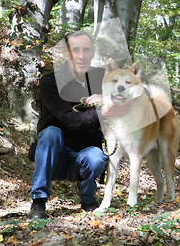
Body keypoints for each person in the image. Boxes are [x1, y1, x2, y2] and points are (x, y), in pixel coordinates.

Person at [27, 30, 108, 219]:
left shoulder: (100, 78)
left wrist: (108, 97)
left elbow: (135, 88)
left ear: (93, 53)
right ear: (65, 54)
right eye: (75, 50)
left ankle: (88, 199)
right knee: (50, 133)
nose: (81, 56)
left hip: (84, 156)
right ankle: (38, 202)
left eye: (86, 50)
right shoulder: (51, 82)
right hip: (54, 157)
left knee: (97, 157)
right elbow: (71, 120)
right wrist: (102, 111)